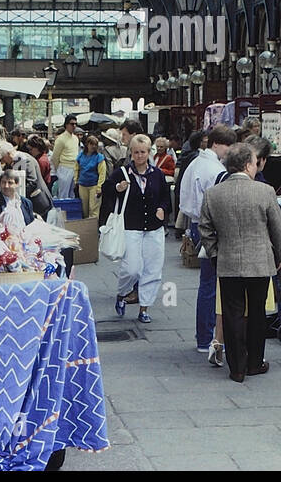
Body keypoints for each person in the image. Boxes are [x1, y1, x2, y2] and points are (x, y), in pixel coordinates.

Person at [199, 143, 281, 383]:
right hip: (259, 261)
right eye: (255, 162)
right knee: (257, 312)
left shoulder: (213, 193)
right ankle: (255, 363)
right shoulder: (265, 191)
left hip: (227, 261)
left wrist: (215, 253)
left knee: (232, 312)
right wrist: (279, 255)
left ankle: (236, 368)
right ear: (248, 165)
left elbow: (204, 227)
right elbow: (277, 229)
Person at [99, 134, 170, 324]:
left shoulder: (157, 174)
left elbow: (165, 197)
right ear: (131, 153)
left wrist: (163, 209)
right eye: (136, 152)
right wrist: (117, 188)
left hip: (154, 229)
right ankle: (122, 293)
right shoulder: (122, 172)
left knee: (153, 269)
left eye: (143, 152)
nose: (139, 156)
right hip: (130, 227)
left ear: (149, 153)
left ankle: (144, 308)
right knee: (133, 269)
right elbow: (105, 190)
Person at [181, 125, 236, 355]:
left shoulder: (196, 163)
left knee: (208, 284)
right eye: (227, 146)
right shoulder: (213, 169)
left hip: (196, 222)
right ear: (216, 144)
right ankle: (205, 336)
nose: (229, 151)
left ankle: (204, 335)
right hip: (208, 226)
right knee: (210, 285)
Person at [0, 140, 52, 216]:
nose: (3, 161)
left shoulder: (25, 160)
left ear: (8, 154)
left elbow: (32, 181)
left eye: (3, 158)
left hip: (39, 202)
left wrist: (18, 195)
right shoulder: (13, 162)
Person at [76, 134, 108, 218]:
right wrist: (76, 181)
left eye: (95, 144)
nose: (93, 146)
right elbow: (76, 169)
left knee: (93, 208)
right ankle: (86, 227)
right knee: (84, 208)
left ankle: (93, 227)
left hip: (94, 185)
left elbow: (102, 173)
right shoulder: (80, 156)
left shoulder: (99, 157)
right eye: (91, 144)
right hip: (82, 185)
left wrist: (99, 187)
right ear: (87, 144)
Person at [51, 115, 81, 199]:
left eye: (75, 124)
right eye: (72, 124)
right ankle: (62, 212)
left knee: (72, 193)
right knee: (63, 194)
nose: (74, 126)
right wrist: (59, 169)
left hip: (74, 168)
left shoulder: (75, 138)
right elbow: (55, 157)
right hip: (64, 168)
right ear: (66, 125)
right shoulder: (60, 139)